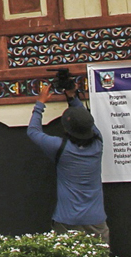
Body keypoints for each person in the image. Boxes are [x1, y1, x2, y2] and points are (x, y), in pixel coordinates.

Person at [27, 78, 107, 241]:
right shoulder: (98, 142)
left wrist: (40, 103)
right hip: (96, 219)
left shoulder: (60, 147)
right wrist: (72, 97)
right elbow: (86, 121)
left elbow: (33, 131)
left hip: (67, 220)